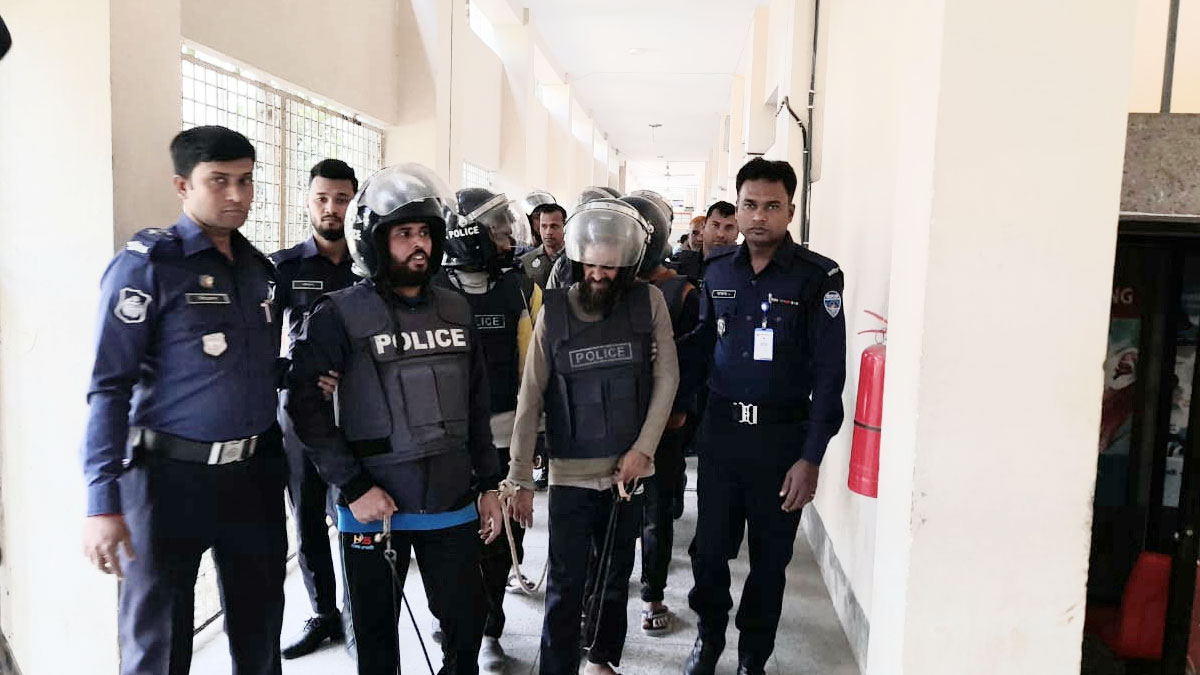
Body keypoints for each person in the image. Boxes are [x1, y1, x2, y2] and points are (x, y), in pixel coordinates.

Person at [81, 125, 287, 675]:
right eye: (219, 181)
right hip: (168, 480)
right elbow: (108, 387)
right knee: (160, 642)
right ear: (182, 185)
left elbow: (254, 368)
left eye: (246, 180)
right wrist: (102, 501)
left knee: (260, 630)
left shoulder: (258, 270)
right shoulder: (148, 267)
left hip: (253, 476)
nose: (237, 195)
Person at [287, 163, 505, 675]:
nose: (418, 245)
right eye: (404, 233)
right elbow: (305, 408)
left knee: (466, 625)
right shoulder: (338, 314)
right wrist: (354, 486)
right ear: (376, 240)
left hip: (451, 502)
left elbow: (476, 404)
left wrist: (490, 484)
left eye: (425, 232)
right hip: (372, 509)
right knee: (375, 639)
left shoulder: (458, 310)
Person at [684, 158, 847, 675]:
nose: (759, 216)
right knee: (709, 552)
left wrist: (810, 458)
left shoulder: (817, 277)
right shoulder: (717, 271)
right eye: (749, 205)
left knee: (770, 562)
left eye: (772, 206)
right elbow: (703, 347)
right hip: (722, 437)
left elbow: (830, 375)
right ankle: (709, 637)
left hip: (781, 444)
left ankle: (753, 657)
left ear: (790, 211)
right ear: (737, 208)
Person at [506, 198, 679, 675]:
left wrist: (643, 451)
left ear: (628, 263)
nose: (599, 275)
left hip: (627, 472)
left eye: (610, 266)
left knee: (614, 575)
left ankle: (602, 659)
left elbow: (666, 379)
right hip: (570, 473)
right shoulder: (555, 310)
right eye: (592, 265)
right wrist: (519, 476)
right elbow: (531, 393)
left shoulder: (649, 303)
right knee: (565, 582)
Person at [433, 187, 543, 672]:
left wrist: (533, 440)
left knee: (497, 541)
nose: (508, 239)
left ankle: (490, 618)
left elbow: (535, 372)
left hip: (502, 439)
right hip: (446, 444)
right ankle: (458, 620)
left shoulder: (521, 289)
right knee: (449, 540)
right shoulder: (432, 287)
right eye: (498, 231)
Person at [269, 159, 360, 659]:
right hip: (300, 416)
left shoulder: (367, 267)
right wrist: (296, 376)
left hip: (356, 412)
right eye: (322, 198)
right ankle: (324, 613)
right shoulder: (284, 268)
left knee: (352, 515)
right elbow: (264, 348)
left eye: (341, 199)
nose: (331, 209)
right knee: (306, 520)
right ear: (308, 201)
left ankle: (357, 611)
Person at [622, 193, 703, 637]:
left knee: (656, 516)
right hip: (612, 426)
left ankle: (652, 594)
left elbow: (688, 368)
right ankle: (599, 592)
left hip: (664, 428)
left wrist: (675, 419)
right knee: (608, 515)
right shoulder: (606, 287)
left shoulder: (682, 292)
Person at [520, 202, 568, 289]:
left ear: (565, 227)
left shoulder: (574, 259)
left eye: (554, 226)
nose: (548, 232)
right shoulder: (526, 262)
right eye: (544, 226)